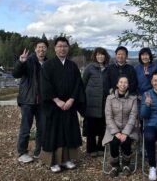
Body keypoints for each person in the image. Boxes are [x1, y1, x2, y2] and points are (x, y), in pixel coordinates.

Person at [40, 37, 85, 173]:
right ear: (55, 48)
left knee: (69, 132)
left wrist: (71, 99)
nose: (62, 49)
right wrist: (57, 100)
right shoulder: (47, 65)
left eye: (65, 46)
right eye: (59, 46)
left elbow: (78, 85)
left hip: (69, 106)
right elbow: (45, 85)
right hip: (54, 106)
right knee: (54, 133)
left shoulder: (72, 66)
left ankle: (67, 159)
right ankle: (53, 162)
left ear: (68, 48)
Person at [12, 39, 48, 163]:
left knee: (42, 127)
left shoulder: (48, 63)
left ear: (47, 49)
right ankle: (22, 152)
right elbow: (15, 74)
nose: (41, 49)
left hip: (43, 102)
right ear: (35, 49)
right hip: (27, 100)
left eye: (44, 47)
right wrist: (20, 62)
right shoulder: (28, 60)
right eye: (39, 47)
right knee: (25, 127)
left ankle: (39, 151)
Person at [102, 76, 139, 178]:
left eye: (125, 82)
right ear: (117, 84)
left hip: (129, 128)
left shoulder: (133, 99)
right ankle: (115, 166)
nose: (123, 84)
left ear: (128, 85)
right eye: (121, 82)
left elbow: (133, 117)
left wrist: (125, 132)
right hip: (113, 128)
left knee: (126, 140)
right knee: (114, 141)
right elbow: (108, 117)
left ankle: (126, 165)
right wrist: (117, 132)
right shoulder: (110, 98)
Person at [83, 47, 110, 157]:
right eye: (98, 55)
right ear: (95, 56)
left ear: (105, 56)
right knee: (91, 127)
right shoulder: (90, 68)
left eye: (102, 55)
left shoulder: (108, 68)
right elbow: (83, 83)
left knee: (103, 126)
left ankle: (101, 147)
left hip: (104, 102)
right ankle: (90, 149)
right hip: (91, 102)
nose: (100, 56)